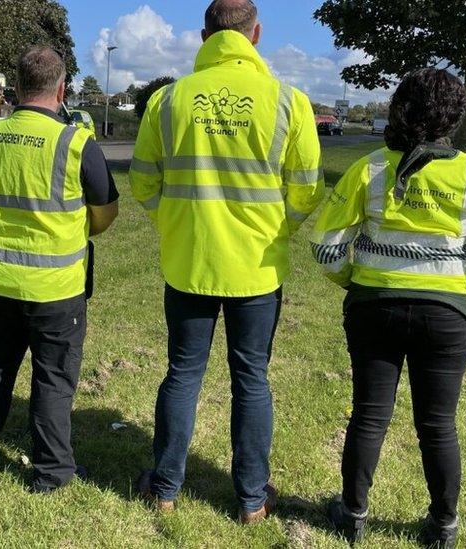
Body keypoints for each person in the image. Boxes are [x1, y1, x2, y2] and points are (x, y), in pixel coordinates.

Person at [312, 68, 466, 548]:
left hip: (374, 308)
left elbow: (326, 249)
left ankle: (352, 514)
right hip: (447, 317)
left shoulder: (368, 169)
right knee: (438, 424)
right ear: (456, 114)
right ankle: (444, 525)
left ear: (401, 107)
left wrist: (356, 281)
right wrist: (465, 289)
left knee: (369, 414)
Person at [130, 0, 324, 522]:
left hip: (188, 262)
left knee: (183, 374)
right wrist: (276, 229)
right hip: (258, 270)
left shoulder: (168, 101)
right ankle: (252, 500)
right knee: (252, 378)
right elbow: (306, 193)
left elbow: (144, 181)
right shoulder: (288, 101)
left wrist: (173, 222)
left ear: (203, 35)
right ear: (255, 34)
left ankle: (165, 487)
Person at [0, 46, 119, 493]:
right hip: (56, 286)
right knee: (53, 378)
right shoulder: (75, 142)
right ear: (62, 88)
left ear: (18, 86)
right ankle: (51, 471)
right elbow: (106, 210)